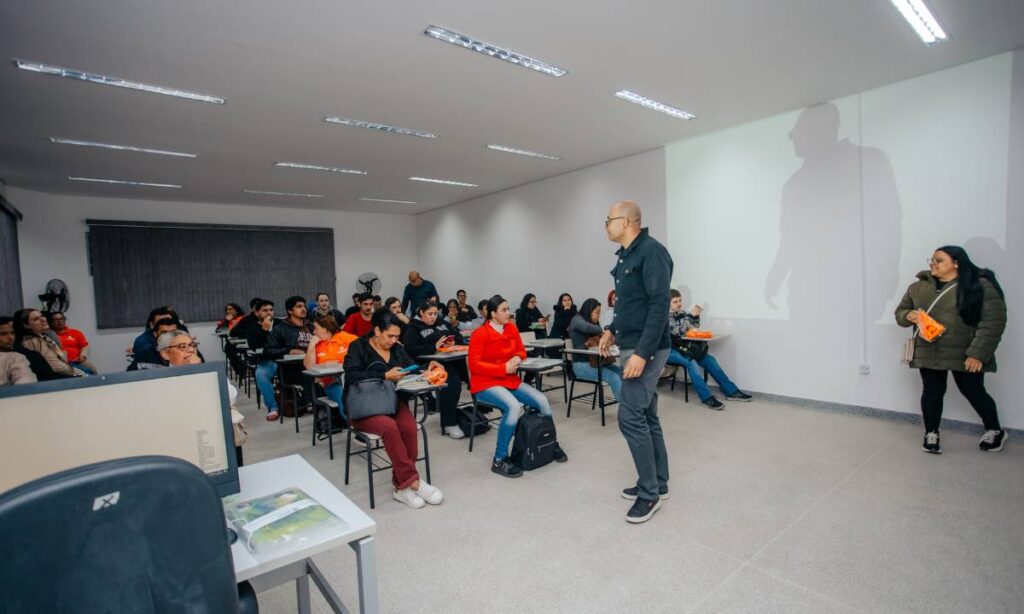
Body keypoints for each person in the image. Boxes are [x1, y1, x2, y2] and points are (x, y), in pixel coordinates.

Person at [598, 200, 672, 523]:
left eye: (609, 219)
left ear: (626, 222)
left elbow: (658, 306)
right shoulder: (626, 255)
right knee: (646, 414)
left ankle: (649, 494)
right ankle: (659, 483)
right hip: (632, 344)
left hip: (647, 348)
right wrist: (611, 330)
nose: (606, 225)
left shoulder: (651, 252)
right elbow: (629, 305)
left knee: (629, 417)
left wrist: (642, 353)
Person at [895, 246, 1008, 453]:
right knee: (932, 391)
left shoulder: (979, 286)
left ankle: (995, 430)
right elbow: (900, 312)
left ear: (956, 263)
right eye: (932, 260)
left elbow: (993, 322)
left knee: (973, 391)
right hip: (928, 349)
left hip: (965, 352)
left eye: (939, 260)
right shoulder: (918, 287)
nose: (933, 264)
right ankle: (931, 433)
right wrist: (907, 315)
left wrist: (977, 354)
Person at [344, 312, 445, 509]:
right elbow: (351, 375)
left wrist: (426, 368)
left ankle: (401, 487)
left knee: (409, 427)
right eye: (390, 336)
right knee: (390, 428)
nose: (394, 340)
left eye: (397, 336)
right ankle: (413, 483)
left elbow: (410, 367)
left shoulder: (397, 348)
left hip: (390, 402)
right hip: (364, 407)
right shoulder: (358, 347)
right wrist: (383, 375)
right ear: (377, 331)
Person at [468, 295, 567, 478]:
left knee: (542, 400)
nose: (509, 312)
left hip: (509, 380)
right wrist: (502, 368)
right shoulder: (479, 334)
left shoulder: (511, 328)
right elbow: (474, 365)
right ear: (493, 314)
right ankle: (499, 459)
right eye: (504, 310)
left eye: (508, 309)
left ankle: (550, 443)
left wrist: (515, 358)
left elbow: (521, 351)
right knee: (513, 407)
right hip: (485, 383)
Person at [666, 289, 752, 409]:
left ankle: (731, 391)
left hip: (683, 347)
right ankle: (706, 398)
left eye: (680, 300)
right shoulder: (663, 317)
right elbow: (677, 331)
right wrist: (690, 316)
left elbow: (693, 328)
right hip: (668, 350)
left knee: (709, 359)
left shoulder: (682, 313)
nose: (679, 304)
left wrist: (696, 317)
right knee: (691, 362)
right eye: (675, 302)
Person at [402, 300, 468, 439]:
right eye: (430, 314)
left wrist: (454, 341)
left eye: (435, 314)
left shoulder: (441, 322)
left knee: (471, 373)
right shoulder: (413, 328)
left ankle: (475, 412)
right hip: (428, 364)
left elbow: (458, 335)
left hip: (451, 359)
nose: (433, 317)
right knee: (452, 381)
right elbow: (411, 349)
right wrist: (433, 347)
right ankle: (449, 423)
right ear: (421, 313)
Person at [262, 296, 315, 420]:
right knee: (310, 376)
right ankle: (313, 403)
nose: (303, 309)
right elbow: (268, 351)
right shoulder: (280, 329)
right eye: (298, 306)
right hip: (292, 369)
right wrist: (288, 350)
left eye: (304, 306)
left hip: (313, 364)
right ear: (290, 311)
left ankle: (322, 405)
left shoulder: (311, 326)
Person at [303, 313, 358, 416]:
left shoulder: (347, 338)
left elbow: (363, 354)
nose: (314, 332)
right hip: (331, 383)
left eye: (316, 328)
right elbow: (309, 367)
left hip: (352, 379)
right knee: (343, 396)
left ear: (326, 329)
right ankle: (351, 422)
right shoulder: (317, 345)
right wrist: (311, 345)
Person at [569, 298, 623, 400]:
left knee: (622, 373)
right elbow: (586, 327)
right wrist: (604, 331)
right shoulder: (577, 319)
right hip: (581, 365)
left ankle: (631, 403)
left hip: (596, 363)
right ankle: (627, 407)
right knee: (614, 377)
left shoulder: (593, 323)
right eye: (597, 312)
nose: (598, 316)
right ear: (588, 310)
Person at [14, 308, 80, 378]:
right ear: (26, 325)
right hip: (59, 377)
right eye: (36, 319)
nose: (43, 319)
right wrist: (75, 372)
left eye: (42, 316)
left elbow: (61, 356)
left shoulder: (44, 336)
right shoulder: (33, 341)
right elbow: (56, 367)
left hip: (66, 370)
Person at [246, 299, 284, 420]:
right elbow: (255, 346)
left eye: (271, 310)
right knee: (260, 375)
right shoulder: (252, 328)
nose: (269, 312)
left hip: (285, 358)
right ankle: (273, 407)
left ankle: (306, 401)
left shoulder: (281, 324)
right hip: (268, 361)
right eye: (265, 310)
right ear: (257, 313)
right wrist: (264, 330)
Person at [0, 316, 37, 385]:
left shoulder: (14, 357)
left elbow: (25, 379)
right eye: (3, 334)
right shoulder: (14, 357)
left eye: (13, 333)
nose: (11, 338)